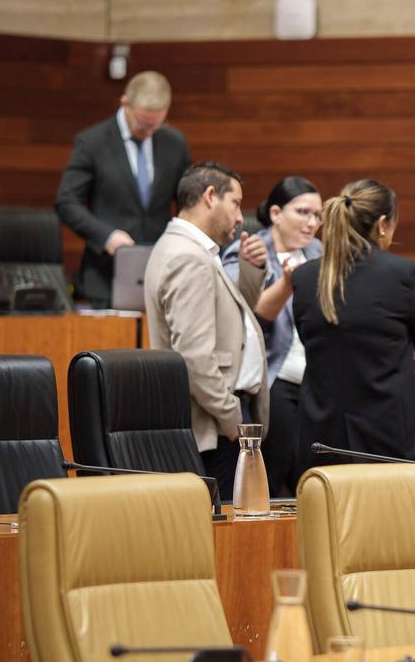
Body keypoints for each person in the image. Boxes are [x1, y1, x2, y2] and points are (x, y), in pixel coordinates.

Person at [289, 180, 415, 470]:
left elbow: (308, 338)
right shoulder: (403, 274)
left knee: (331, 516)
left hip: (322, 436)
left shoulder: (304, 277)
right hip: (390, 435)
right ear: (383, 223)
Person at [144, 162, 268, 499]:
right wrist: (233, 421)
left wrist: (251, 271)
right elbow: (195, 358)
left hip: (214, 417)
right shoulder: (189, 257)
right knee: (226, 532)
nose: (241, 217)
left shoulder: (187, 249)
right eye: (237, 203)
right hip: (213, 425)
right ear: (210, 196)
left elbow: (229, 320)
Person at [221, 176, 322, 497]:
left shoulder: (317, 251)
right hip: (273, 378)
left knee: (312, 478)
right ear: (276, 213)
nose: (312, 223)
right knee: (274, 477)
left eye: (318, 215)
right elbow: (246, 317)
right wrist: (287, 283)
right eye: (303, 212)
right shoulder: (249, 249)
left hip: (315, 383)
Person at [57, 71, 193, 307]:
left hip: (161, 271)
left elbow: (187, 202)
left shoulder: (175, 142)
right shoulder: (92, 142)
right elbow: (67, 202)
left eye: (157, 124)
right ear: (125, 104)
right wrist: (106, 236)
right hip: (106, 274)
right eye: (142, 123)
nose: (149, 132)